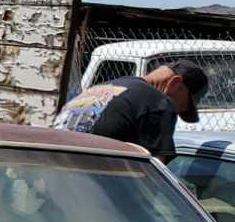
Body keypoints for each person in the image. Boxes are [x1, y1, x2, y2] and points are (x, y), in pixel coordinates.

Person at [53, 61, 208, 163]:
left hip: (49, 171)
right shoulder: (158, 102)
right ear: (175, 84)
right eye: (184, 105)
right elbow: (153, 171)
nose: (179, 110)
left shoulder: (101, 88)